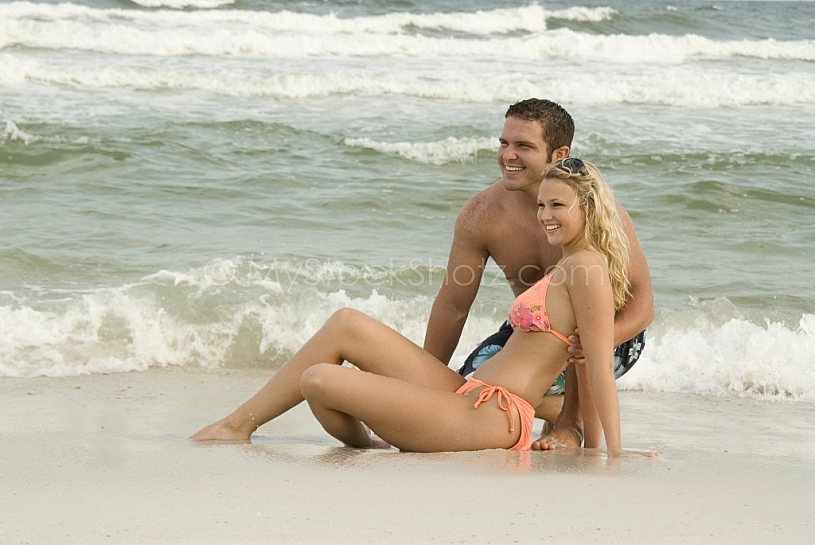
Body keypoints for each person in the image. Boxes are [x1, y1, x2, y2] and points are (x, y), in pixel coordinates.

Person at [191, 159, 629, 455]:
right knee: (345, 324)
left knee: (319, 379)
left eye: (558, 205)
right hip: (468, 393)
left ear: (587, 206)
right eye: (540, 204)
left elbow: (596, 363)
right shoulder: (570, 263)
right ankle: (238, 424)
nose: (545, 215)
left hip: (496, 418)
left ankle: (375, 446)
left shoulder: (588, 268)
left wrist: (612, 452)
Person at [423, 99, 654, 449]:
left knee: (579, 330)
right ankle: (549, 407)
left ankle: (571, 423)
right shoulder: (481, 215)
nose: (508, 155)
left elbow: (644, 302)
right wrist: (425, 385)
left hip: (613, 335)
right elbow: (453, 306)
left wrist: (602, 339)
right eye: (504, 143)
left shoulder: (598, 213)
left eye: (524, 146)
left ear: (558, 154)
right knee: (468, 386)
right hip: (536, 328)